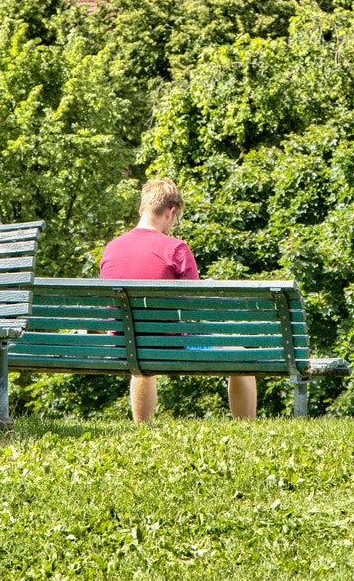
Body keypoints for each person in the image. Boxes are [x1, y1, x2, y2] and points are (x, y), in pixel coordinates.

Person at [100, 178, 256, 422]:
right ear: (170, 213)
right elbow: (196, 307)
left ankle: (143, 428)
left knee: (142, 356)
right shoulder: (176, 249)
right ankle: (247, 427)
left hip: (124, 345)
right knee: (240, 355)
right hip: (171, 344)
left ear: (142, 209)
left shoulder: (111, 249)